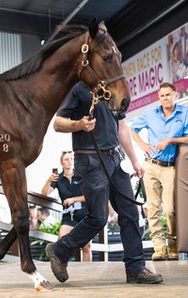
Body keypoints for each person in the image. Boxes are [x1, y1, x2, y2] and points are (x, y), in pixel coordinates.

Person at [46, 81, 163, 284]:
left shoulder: (111, 90)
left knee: (129, 213)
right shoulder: (78, 89)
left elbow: (122, 127)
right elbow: (58, 123)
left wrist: (134, 160)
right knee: (98, 217)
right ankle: (60, 250)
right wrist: (79, 124)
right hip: (90, 160)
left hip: (115, 160)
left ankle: (135, 269)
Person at [130, 82, 188, 261]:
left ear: (175, 96)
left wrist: (171, 139)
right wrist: (141, 144)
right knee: (153, 208)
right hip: (150, 165)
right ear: (159, 97)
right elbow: (132, 129)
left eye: (168, 95)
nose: (165, 98)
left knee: (170, 209)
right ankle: (158, 247)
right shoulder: (150, 114)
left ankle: (172, 243)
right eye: (162, 95)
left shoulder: (184, 113)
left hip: (170, 167)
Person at [41, 151, 91, 262]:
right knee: (60, 243)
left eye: (71, 159)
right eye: (66, 159)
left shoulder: (80, 175)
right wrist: (48, 181)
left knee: (86, 246)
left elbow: (90, 196)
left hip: (84, 214)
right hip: (69, 216)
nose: (69, 162)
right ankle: (60, 267)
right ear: (61, 162)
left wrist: (73, 199)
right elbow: (44, 193)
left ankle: (87, 273)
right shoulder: (57, 178)